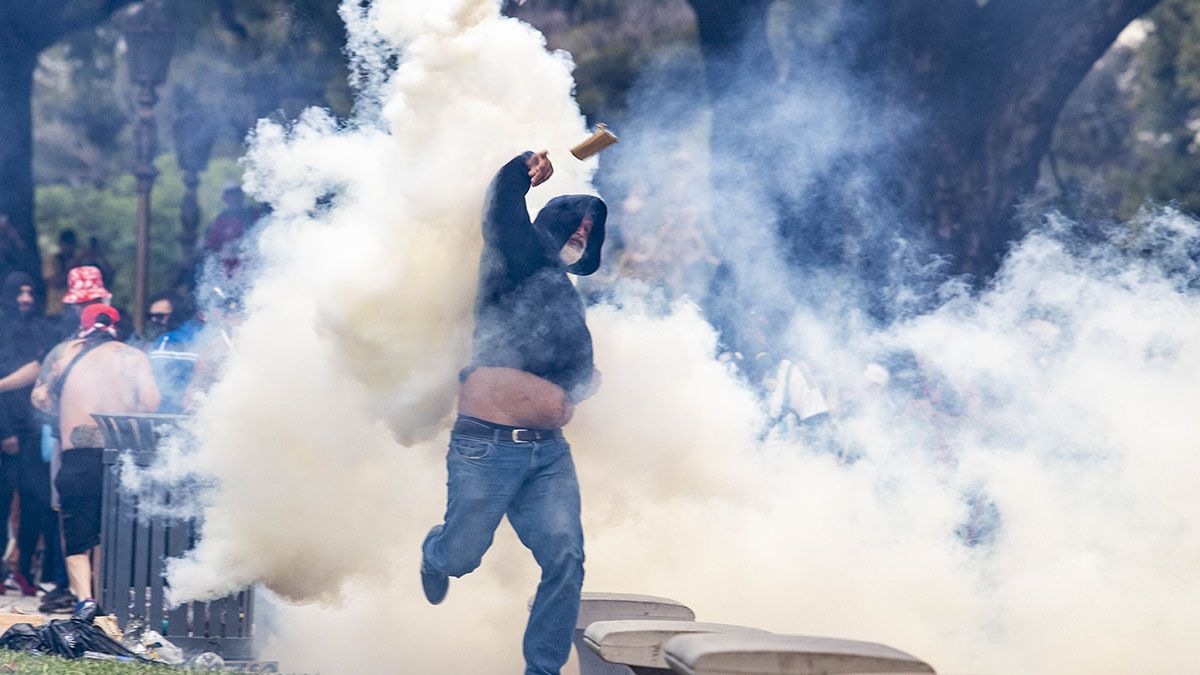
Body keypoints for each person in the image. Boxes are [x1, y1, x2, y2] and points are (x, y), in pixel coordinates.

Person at [420, 150, 606, 675]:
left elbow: (573, 369)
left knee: (565, 558)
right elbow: (501, 208)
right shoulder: (518, 256)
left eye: (592, 227)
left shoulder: (564, 293)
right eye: (578, 222)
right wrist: (521, 169)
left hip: (548, 454)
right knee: (461, 557)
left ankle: (542, 671)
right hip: (488, 447)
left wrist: (580, 386)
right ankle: (435, 555)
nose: (583, 233)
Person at [32, 304, 160, 608]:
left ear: (83, 324)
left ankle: (85, 600)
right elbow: (151, 403)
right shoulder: (133, 357)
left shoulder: (64, 352)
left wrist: (64, 410)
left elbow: (39, 398)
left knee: (77, 534)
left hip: (78, 455)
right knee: (108, 532)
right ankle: (105, 600)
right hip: (120, 456)